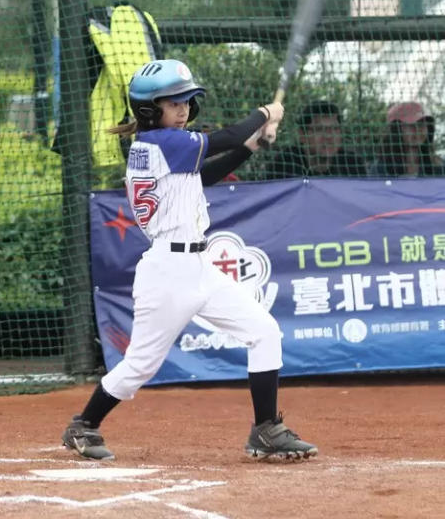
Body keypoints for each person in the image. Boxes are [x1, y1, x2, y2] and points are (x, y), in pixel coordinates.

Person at [61, 59, 318, 462]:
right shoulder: (161, 143)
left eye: (186, 102)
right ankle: (84, 424)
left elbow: (205, 176)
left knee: (264, 331)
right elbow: (227, 136)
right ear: (149, 109)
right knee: (140, 366)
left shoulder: (165, 148)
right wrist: (264, 115)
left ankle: (266, 430)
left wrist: (254, 145)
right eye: (172, 103)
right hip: (168, 274)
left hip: (200, 268)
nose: (182, 110)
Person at [262, 100, 364, 178]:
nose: (329, 136)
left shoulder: (352, 164)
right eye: (319, 129)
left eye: (334, 129)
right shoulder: (284, 165)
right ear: (302, 135)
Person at [369, 102, 442, 177]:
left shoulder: (438, 167)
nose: (418, 130)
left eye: (422, 124)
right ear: (396, 130)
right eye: (411, 125)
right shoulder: (380, 169)